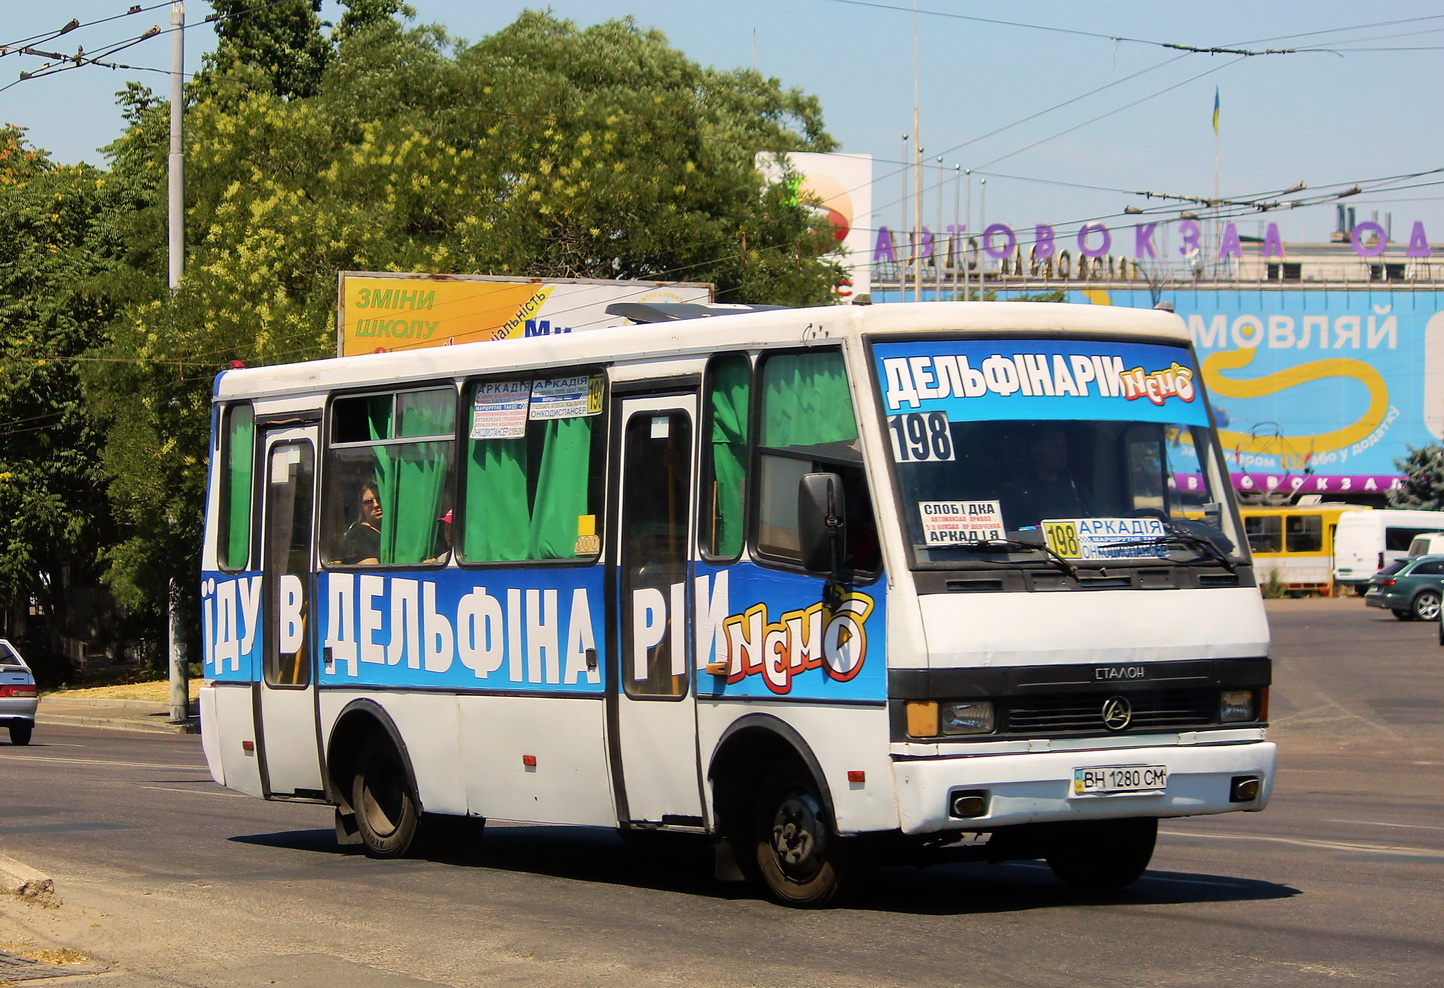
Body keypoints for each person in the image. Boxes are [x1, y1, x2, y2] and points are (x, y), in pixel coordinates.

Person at [1011, 424, 1092, 527]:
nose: (1062, 452)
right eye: (1055, 446)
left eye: (1064, 446)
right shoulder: (1020, 492)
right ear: (1035, 452)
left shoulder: (1076, 489)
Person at [340, 481, 383, 564]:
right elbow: (372, 569)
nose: (376, 505)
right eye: (368, 502)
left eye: (379, 499)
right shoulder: (357, 535)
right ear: (361, 507)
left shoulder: (395, 533)